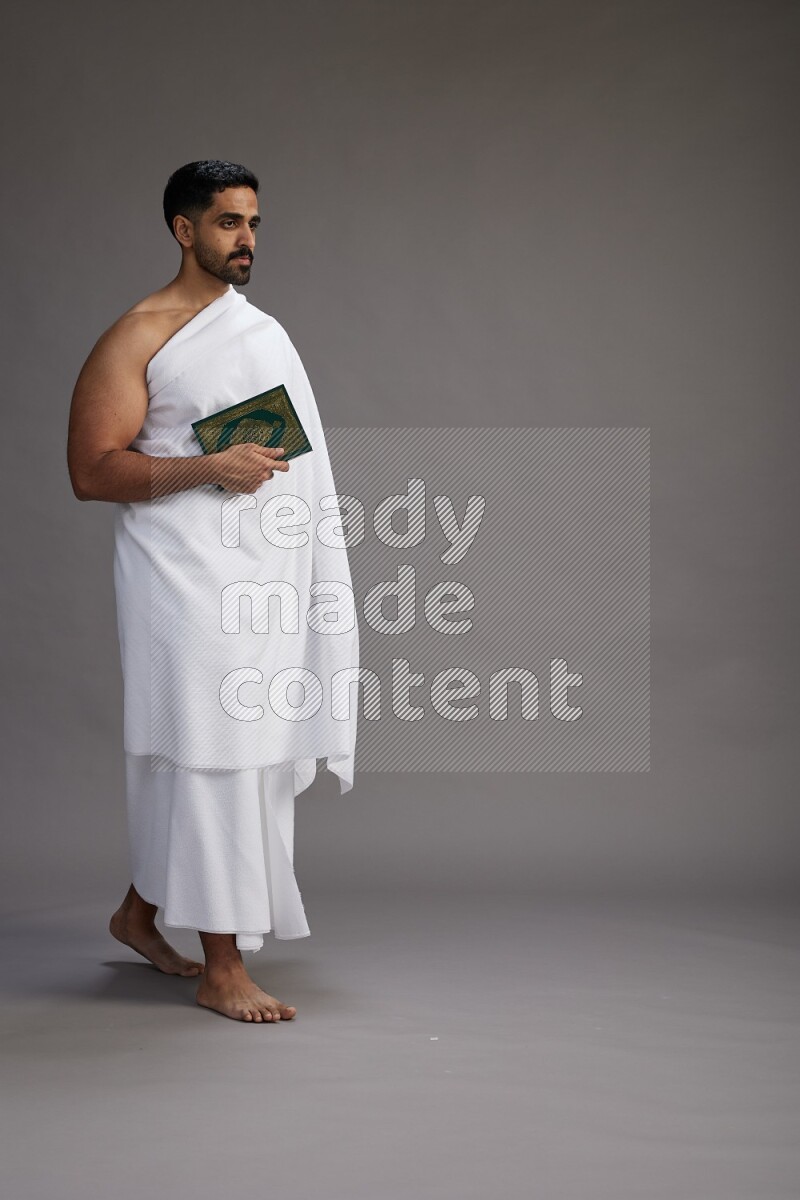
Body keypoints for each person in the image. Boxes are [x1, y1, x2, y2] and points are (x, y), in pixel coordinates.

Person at [67, 160, 359, 1023]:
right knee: (211, 750)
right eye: (229, 222)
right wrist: (210, 467)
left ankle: (139, 913)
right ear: (183, 229)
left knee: (238, 751)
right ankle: (221, 967)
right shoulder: (136, 336)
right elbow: (91, 472)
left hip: (258, 576)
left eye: (254, 223)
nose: (247, 240)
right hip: (182, 580)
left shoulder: (257, 330)